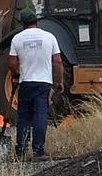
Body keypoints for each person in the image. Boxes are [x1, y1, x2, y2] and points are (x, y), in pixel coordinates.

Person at [8, 9, 64, 161]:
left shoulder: (17, 39)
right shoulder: (49, 37)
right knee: (40, 116)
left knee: (24, 116)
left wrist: (17, 74)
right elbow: (58, 62)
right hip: (43, 83)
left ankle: (21, 150)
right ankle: (38, 151)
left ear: (22, 23)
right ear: (36, 21)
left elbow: (12, 63)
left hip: (26, 82)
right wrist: (59, 82)